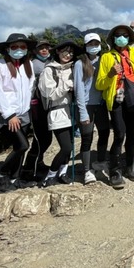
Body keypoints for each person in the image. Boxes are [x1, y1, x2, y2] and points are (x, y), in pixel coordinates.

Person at [95, 24, 134, 188]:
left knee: (131, 134)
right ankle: (115, 171)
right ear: (113, 38)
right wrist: (110, 74)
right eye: (118, 35)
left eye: (125, 34)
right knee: (119, 134)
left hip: (132, 98)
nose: (121, 37)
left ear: (129, 38)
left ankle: (130, 167)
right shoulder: (106, 57)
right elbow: (100, 85)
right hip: (116, 99)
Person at [0, 33, 37, 193]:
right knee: (23, 145)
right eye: (14, 47)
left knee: (19, 146)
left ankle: (15, 179)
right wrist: (10, 114)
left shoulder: (26, 65)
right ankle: (1, 176)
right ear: (7, 48)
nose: (19, 50)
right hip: (7, 115)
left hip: (23, 113)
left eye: (22, 47)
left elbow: (29, 86)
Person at [38, 40, 80, 187]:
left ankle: (63, 173)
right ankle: (50, 175)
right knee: (66, 147)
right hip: (57, 112)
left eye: (71, 52)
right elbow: (50, 94)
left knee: (71, 146)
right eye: (65, 51)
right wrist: (67, 85)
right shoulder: (49, 70)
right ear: (57, 52)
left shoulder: (73, 68)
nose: (68, 55)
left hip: (71, 111)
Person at [74, 32, 107, 185]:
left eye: (96, 44)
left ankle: (100, 162)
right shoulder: (80, 64)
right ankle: (87, 170)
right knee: (87, 137)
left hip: (101, 104)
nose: (94, 47)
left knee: (104, 133)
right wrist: (82, 112)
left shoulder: (103, 61)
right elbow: (79, 89)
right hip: (86, 105)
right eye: (90, 44)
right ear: (85, 46)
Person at [22, 39, 53, 180]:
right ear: (35, 51)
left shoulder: (50, 62)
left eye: (47, 47)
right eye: (41, 48)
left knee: (46, 137)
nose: (44, 50)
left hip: (46, 104)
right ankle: (29, 169)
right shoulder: (33, 65)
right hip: (36, 104)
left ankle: (37, 163)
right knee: (41, 138)